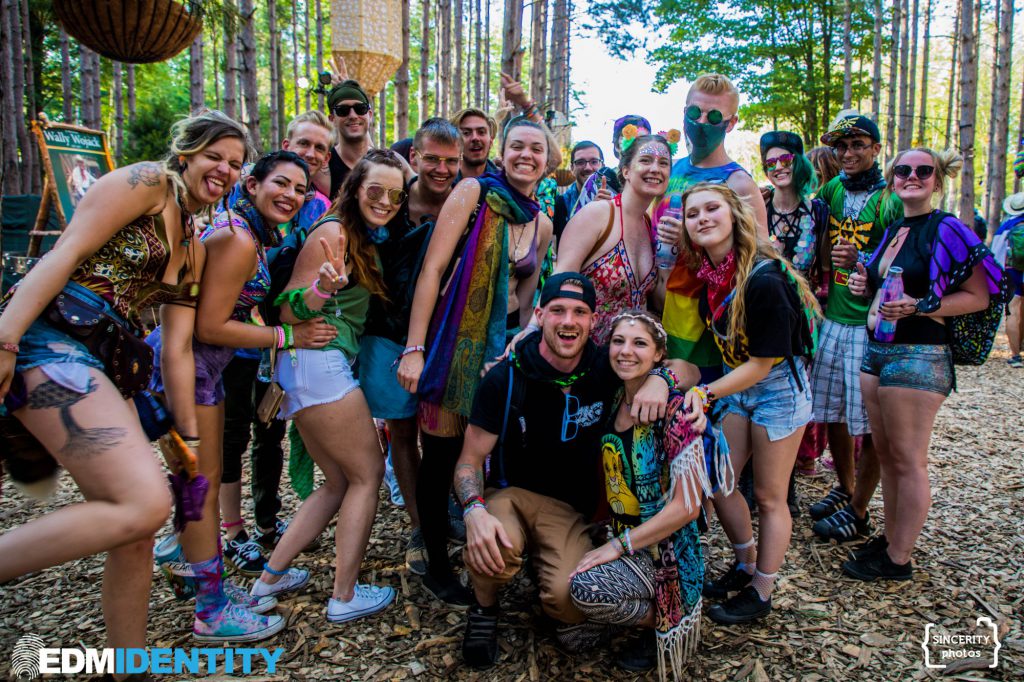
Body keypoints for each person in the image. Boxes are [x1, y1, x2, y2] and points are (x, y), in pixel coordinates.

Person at [0, 111, 248, 667]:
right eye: (216, 156)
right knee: (142, 504)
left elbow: (179, 349)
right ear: (186, 153)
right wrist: (6, 339)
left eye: (235, 164)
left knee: (135, 526)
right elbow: (62, 254)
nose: (225, 170)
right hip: (51, 337)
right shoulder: (145, 184)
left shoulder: (195, 246)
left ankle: (126, 667)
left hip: (107, 363)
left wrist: (187, 442)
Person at [148, 150, 337, 641]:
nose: (291, 196)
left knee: (198, 486)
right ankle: (210, 609)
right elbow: (212, 325)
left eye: (300, 188)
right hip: (191, 369)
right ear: (251, 185)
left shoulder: (246, 232)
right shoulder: (237, 238)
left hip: (198, 368)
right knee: (197, 488)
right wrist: (285, 338)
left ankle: (205, 583)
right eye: (280, 183)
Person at [453, 274, 688, 668]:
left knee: (570, 604)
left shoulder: (606, 366)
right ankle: (484, 610)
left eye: (580, 312)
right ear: (540, 315)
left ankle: (542, 574)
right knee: (492, 542)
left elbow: (687, 367)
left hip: (569, 509)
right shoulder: (507, 377)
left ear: (593, 320)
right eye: (558, 310)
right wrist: (473, 509)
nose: (568, 321)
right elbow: (468, 460)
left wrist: (663, 381)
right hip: (510, 495)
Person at [396, 119, 553, 604]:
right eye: (518, 147)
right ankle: (438, 566)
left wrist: (514, 355)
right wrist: (415, 348)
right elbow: (432, 271)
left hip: (502, 349)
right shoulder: (473, 192)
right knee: (441, 454)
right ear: (503, 153)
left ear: (549, 160)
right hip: (450, 342)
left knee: (491, 452)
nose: (528, 155)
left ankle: (497, 554)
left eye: (538, 149)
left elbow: (526, 303)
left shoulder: (542, 221)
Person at [250, 149, 404, 622]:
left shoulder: (356, 234)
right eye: (374, 191)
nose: (384, 202)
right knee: (367, 475)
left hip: (307, 370)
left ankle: (268, 580)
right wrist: (322, 289)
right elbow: (289, 310)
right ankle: (343, 595)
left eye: (395, 195)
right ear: (355, 187)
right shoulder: (334, 233)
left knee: (338, 481)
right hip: (318, 366)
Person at [844, 148, 1008, 580]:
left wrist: (921, 306)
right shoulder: (896, 227)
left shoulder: (947, 227)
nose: (911, 176)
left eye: (923, 171)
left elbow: (981, 294)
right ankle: (893, 537)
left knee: (908, 458)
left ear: (937, 181)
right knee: (888, 454)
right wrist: (864, 284)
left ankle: (899, 559)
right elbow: (883, 289)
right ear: (893, 179)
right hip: (877, 351)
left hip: (920, 354)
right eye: (902, 170)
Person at [680, 182, 819, 623]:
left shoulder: (766, 278)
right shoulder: (711, 275)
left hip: (778, 390)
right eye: (692, 213)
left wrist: (702, 393)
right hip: (740, 389)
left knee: (769, 496)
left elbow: (762, 364)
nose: (702, 218)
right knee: (720, 481)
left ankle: (762, 590)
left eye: (711, 208)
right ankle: (744, 564)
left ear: (734, 214)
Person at [217, 111, 335, 572]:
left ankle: (267, 521)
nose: (310, 153)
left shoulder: (310, 209)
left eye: (319, 149)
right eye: (304, 143)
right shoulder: (237, 218)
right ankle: (230, 532)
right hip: (229, 346)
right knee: (229, 439)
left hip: (269, 345)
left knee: (270, 434)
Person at [568, 310, 714, 679]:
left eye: (639, 343)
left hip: (668, 555)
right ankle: (636, 603)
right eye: (618, 341)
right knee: (566, 617)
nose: (625, 351)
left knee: (586, 590)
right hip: (623, 536)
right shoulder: (614, 394)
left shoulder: (676, 413)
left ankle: (669, 618)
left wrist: (617, 547)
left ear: (658, 354)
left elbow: (686, 507)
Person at [360, 119, 463, 576]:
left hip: (448, 336)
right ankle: (421, 523)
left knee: (447, 429)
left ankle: (450, 505)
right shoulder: (392, 202)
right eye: (433, 159)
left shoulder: (470, 202)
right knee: (402, 431)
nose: (442, 169)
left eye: (451, 161)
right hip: (387, 331)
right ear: (415, 157)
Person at [808, 112, 903, 546]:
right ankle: (845, 489)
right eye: (841, 146)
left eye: (858, 145)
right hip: (834, 319)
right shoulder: (829, 189)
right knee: (833, 415)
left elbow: (907, 265)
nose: (847, 153)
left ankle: (861, 510)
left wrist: (865, 267)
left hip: (873, 326)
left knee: (870, 423)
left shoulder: (891, 200)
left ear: (876, 149)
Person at [657, 74, 768, 386]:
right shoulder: (670, 171)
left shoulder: (739, 183)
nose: (702, 122)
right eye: (695, 113)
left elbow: (761, 259)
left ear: (731, 124)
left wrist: (692, 239)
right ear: (684, 113)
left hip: (709, 326)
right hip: (662, 312)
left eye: (715, 116)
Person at [758, 131, 830, 506]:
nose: (777, 168)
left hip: (802, 316)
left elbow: (825, 263)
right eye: (770, 162)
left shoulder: (817, 210)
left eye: (784, 160)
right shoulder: (760, 203)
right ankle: (756, 484)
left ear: (799, 161)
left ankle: (785, 487)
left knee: (791, 395)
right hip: (763, 311)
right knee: (757, 389)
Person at [549, 133, 675, 344]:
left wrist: (668, 264)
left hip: (628, 362)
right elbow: (559, 279)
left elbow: (658, 305)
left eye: (663, 163)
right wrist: (534, 328)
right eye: (645, 160)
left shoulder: (653, 227)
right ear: (625, 170)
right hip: (582, 357)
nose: (655, 169)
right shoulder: (597, 215)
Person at [317, 79, 374, 200]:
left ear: (369, 115)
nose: (353, 115)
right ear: (332, 119)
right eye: (343, 110)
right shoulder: (322, 165)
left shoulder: (384, 162)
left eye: (360, 108)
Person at [994, 192, 1024, 366]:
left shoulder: (1006, 227)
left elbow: (995, 254)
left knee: (1013, 310)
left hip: (1012, 273)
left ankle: (1015, 356)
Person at [451, 107, 499, 180]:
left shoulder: (505, 184)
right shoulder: (444, 180)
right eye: (466, 133)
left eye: (481, 132)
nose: (475, 138)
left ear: (491, 142)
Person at [560, 141, 604, 218]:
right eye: (580, 162)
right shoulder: (560, 204)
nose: (588, 168)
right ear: (572, 168)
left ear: (603, 167)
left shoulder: (616, 199)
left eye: (594, 162)